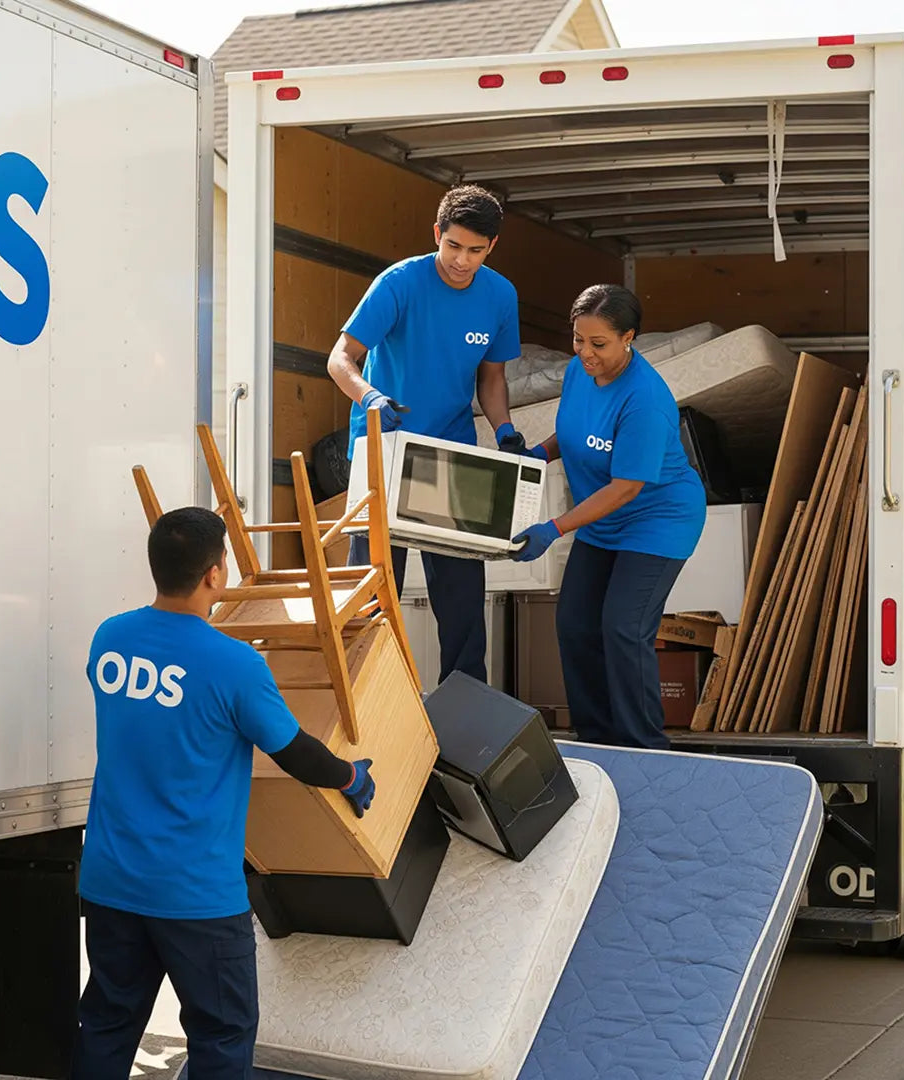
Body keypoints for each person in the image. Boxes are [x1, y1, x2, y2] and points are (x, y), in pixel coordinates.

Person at [71, 507, 376, 1080]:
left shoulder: (109, 639)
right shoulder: (233, 664)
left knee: (107, 1028)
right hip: (196, 898)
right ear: (214, 575)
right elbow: (295, 752)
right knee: (221, 1037)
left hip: (112, 882)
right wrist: (351, 777)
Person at [326, 184, 524, 685]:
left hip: (450, 455)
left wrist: (504, 429)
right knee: (373, 594)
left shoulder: (500, 295)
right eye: (453, 245)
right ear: (437, 234)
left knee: (460, 601)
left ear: (491, 248)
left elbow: (492, 377)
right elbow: (340, 358)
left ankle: (466, 711)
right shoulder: (400, 282)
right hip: (385, 451)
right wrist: (370, 397)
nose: (461, 260)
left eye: (475, 250)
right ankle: (368, 703)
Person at [510, 284, 706, 751]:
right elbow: (574, 431)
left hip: (657, 518)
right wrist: (539, 454)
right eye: (578, 339)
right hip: (605, 517)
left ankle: (644, 746)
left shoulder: (645, 400)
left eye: (598, 344)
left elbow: (627, 487)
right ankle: (595, 739)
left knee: (623, 626)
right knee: (575, 623)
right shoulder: (581, 372)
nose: (585, 352)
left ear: (629, 338)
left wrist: (554, 528)